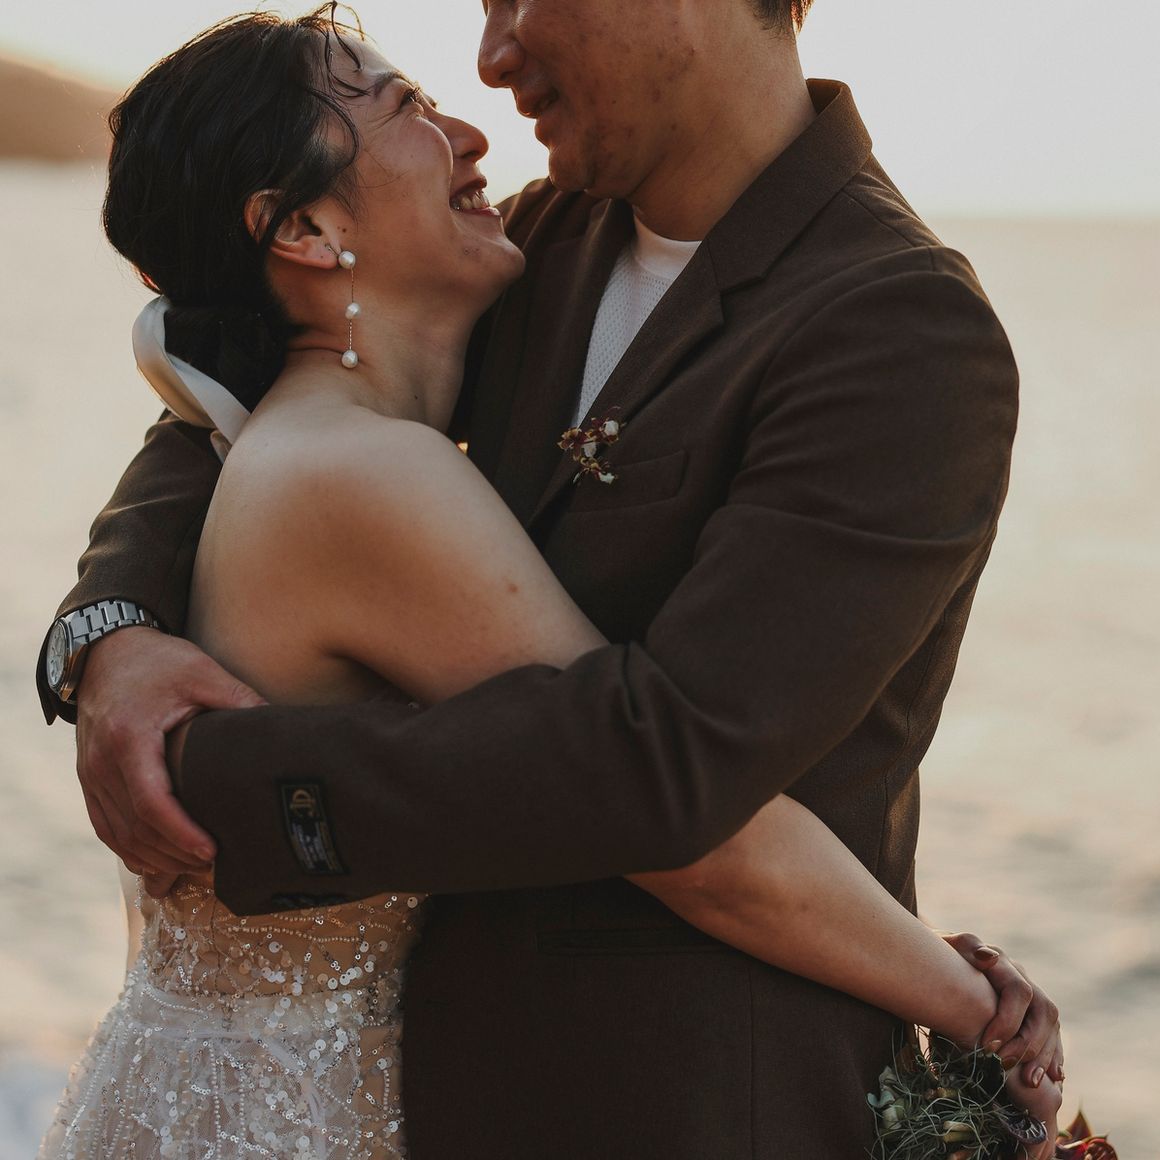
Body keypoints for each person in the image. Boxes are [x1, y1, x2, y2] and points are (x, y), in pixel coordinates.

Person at [38, 2, 1064, 1157]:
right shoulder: (530, 242)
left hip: (684, 1109)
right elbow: (239, 394)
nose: (491, 59)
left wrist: (225, 778)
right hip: (404, 1089)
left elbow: (663, 768)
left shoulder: (892, 323)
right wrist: (109, 629)